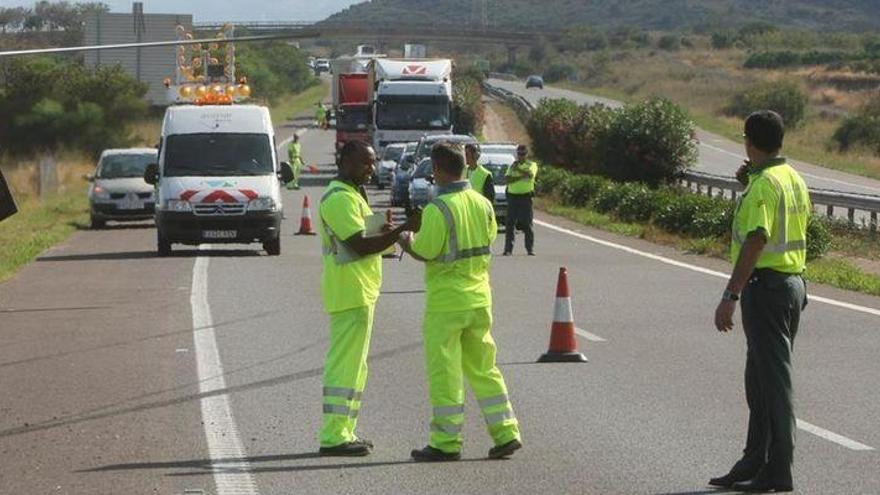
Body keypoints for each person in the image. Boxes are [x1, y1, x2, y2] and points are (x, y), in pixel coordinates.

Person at [398, 142, 522, 462]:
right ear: (463, 168)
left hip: (446, 303)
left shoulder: (438, 209)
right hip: (480, 297)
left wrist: (404, 239)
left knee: (446, 372)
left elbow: (424, 251)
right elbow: (489, 239)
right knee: (484, 367)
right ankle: (506, 432)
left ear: (438, 171)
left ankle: (445, 441)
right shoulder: (482, 204)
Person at [710, 110, 810, 493]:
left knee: (774, 385)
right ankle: (754, 459)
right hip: (790, 284)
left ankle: (777, 469)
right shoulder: (792, 178)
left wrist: (730, 295)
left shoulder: (765, 184)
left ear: (749, 142)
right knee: (760, 382)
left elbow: (756, 238)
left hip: (766, 287)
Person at [317, 140, 419, 456]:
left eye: (373, 163)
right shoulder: (338, 198)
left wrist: (384, 230)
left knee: (356, 366)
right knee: (345, 366)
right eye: (365, 163)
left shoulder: (351, 195)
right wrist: (402, 228)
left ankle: (344, 430)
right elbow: (359, 245)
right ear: (345, 161)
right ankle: (334, 436)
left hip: (359, 290)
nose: (371, 168)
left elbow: (366, 237)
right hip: (350, 291)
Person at [504, 144, 538, 256]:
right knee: (510, 224)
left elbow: (530, 175)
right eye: (519, 154)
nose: (520, 156)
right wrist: (520, 176)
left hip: (525, 197)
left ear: (527, 154)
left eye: (523, 154)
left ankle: (530, 249)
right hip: (513, 196)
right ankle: (508, 249)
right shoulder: (512, 166)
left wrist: (517, 171)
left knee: (527, 224)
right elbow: (508, 179)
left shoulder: (531, 165)